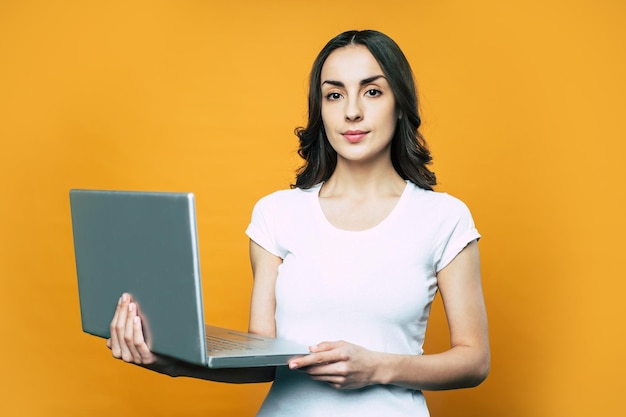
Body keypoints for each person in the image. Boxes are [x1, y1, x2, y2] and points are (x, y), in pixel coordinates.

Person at [108, 29, 490, 416]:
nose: (352, 111)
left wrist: (379, 367)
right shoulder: (276, 214)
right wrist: (168, 361)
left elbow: (474, 361)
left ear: (399, 104)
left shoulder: (444, 218)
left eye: (372, 91)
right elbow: (262, 362)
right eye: (334, 94)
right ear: (319, 109)